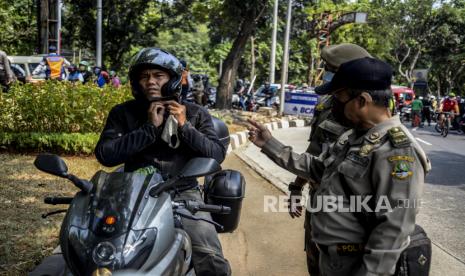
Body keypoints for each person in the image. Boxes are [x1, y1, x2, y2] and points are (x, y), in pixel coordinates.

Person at [248, 57, 431, 275]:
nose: (333, 105)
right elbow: (319, 170)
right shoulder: (355, 138)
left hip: (357, 265)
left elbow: (393, 229)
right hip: (332, 260)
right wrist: (270, 144)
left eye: (338, 98)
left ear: (362, 101)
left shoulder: (396, 152)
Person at [94, 47, 231, 275]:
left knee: (210, 257)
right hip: (133, 195)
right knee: (101, 251)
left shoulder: (195, 113)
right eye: (144, 76)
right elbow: (106, 155)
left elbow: (216, 153)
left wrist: (184, 126)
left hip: (183, 194)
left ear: (173, 79)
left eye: (158, 76)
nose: (150, 81)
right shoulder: (122, 113)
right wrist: (149, 129)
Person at [288, 43, 372, 276]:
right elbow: (314, 153)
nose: (326, 74)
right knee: (316, 262)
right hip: (318, 200)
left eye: (331, 70)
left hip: (352, 209)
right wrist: (296, 188)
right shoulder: (327, 105)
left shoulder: (372, 109)